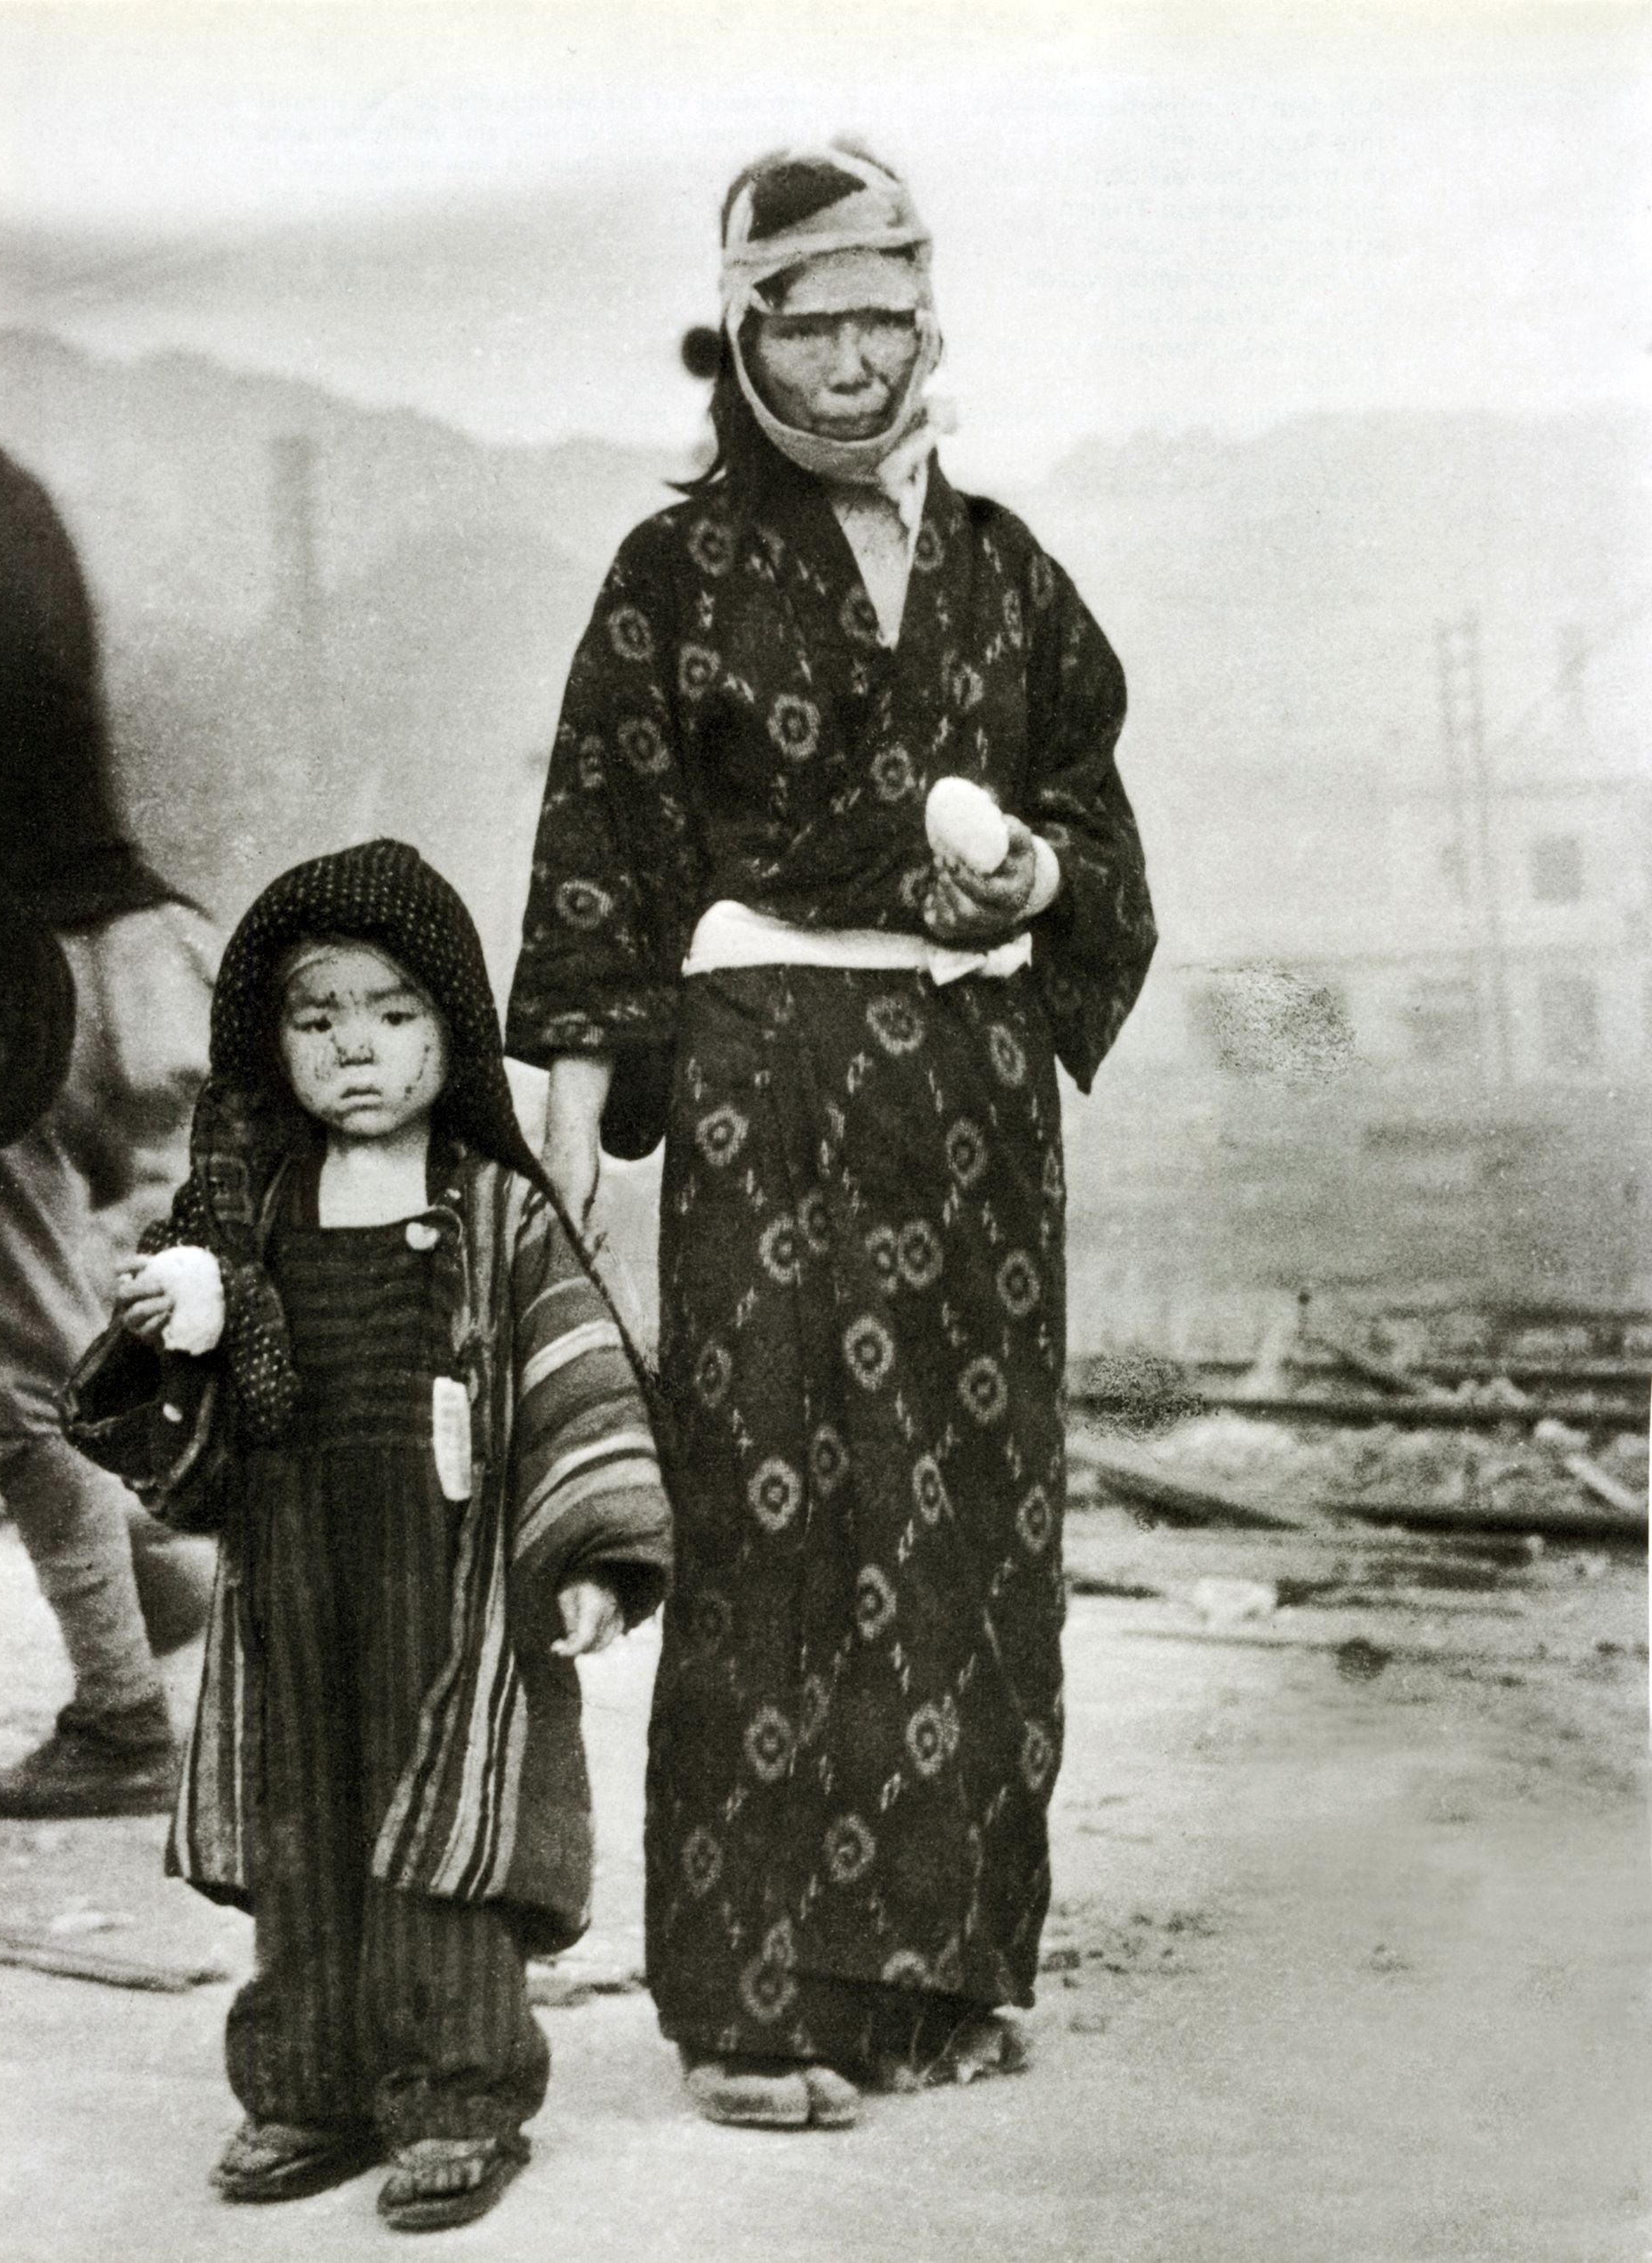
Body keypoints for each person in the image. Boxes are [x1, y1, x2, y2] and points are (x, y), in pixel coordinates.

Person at [506, 142, 1157, 2128]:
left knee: (969, 1520)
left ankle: (941, 1968)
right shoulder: (673, 574)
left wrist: (1033, 877)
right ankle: (756, 2004)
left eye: (890, 316)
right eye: (817, 320)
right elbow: (604, 842)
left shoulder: (1013, 568)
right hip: (766, 1084)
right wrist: (585, 1118)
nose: (859, 360)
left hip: (967, 1110)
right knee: (774, 1507)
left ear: (925, 321)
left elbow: (1091, 827)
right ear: (749, 335)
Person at [81, 838, 670, 2229]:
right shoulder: (253, 1218)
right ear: (266, 1042)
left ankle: (458, 2101)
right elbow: (176, 1416)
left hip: (451, 1586)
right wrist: (175, 1328)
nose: (356, 1050)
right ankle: (307, 2089)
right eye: (316, 1016)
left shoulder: (495, 1211)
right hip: (292, 1574)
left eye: (395, 1014)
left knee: (448, 1839)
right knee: (306, 1835)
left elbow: (576, 1370)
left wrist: (592, 1551)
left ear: (451, 1032)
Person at [0, 213, 217, 1819]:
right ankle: (149, 1586)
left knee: (11, 1364)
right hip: (79, 958)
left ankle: (125, 1718)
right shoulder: (2, 493)